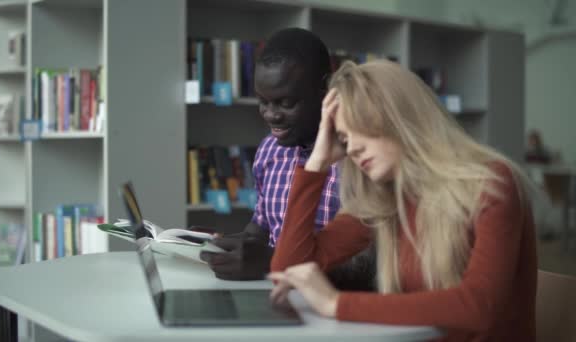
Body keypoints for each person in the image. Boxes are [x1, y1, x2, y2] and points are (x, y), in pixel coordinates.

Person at [269, 60, 537, 341]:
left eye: (360, 127)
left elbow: (479, 305)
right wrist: (317, 163)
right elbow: (287, 269)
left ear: (400, 116)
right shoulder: (386, 197)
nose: (353, 148)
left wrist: (336, 303)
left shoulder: (491, 183)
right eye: (344, 139)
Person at [200, 28, 375, 289]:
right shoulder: (269, 149)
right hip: (277, 294)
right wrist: (223, 246)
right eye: (263, 101)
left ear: (325, 89)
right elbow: (260, 228)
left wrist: (275, 263)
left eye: (285, 103)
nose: (271, 115)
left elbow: (368, 267)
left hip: (334, 304)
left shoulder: (362, 158)